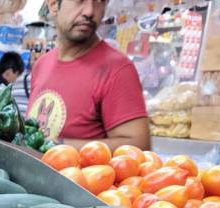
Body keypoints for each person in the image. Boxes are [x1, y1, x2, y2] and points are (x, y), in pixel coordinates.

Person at [27, 0, 151, 150]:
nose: (90, 11)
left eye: (99, 1)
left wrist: (57, 147)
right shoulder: (41, 65)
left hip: (76, 174)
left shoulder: (118, 70)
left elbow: (138, 146)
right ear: (53, 5)